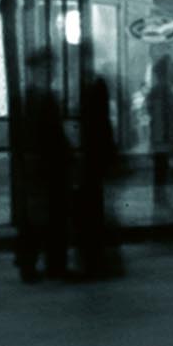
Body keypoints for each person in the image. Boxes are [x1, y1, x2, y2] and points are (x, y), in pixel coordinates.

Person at [13, 46, 73, 283]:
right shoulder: (40, 98)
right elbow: (50, 135)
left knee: (42, 217)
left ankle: (37, 263)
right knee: (48, 216)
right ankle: (48, 264)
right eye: (49, 67)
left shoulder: (33, 96)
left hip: (41, 166)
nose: (54, 71)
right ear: (37, 69)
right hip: (46, 167)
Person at [74, 69, 123, 279]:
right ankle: (104, 262)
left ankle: (95, 263)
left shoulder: (92, 122)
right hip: (98, 171)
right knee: (101, 214)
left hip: (92, 171)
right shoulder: (102, 122)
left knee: (94, 216)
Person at [146, 56, 173, 217]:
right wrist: (168, 143)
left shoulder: (162, 92)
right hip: (165, 143)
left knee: (162, 173)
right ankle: (163, 205)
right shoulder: (161, 93)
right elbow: (162, 120)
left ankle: (163, 204)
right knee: (163, 174)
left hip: (164, 142)